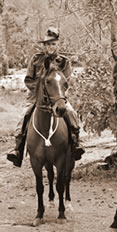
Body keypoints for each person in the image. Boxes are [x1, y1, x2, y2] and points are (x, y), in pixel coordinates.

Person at [7, 26, 85, 167]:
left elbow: (65, 82)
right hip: (36, 98)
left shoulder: (64, 61)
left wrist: (57, 94)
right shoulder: (36, 59)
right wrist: (40, 92)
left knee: (72, 113)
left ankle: (76, 143)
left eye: (53, 44)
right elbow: (28, 79)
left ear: (57, 45)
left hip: (58, 97)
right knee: (23, 116)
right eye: (48, 44)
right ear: (44, 45)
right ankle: (17, 150)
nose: (50, 47)